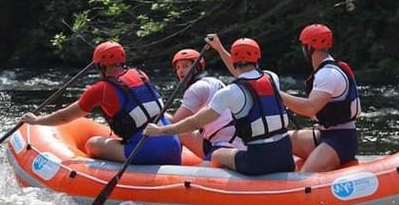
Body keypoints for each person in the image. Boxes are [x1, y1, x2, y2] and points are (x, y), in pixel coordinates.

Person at [144, 35, 295, 176]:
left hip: (257, 162)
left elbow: (194, 122)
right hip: (285, 158)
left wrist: (160, 131)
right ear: (258, 57)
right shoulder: (272, 78)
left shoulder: (230, 93)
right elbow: (248, 77)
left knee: (217, 155)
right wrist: (219, 48)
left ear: (234, 60)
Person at [21, 41, 181, 165]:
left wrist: (36, 121)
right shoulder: (140, 74)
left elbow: (64, 117)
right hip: (174, 145)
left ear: (99, 65)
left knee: (92, 144)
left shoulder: (101, 89)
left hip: (146, 151)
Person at [279, 23, 360, 172]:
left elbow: (310, 108)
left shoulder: (327, 74)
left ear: (309, 47)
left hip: (340, 140)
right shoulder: (327, 69)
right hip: (324, 134)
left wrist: (278, 94)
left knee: (305, 177)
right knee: (279, 141)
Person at [168, 48, 245, 161]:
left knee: (170, 122)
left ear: (197, 68)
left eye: (185, 66)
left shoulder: (196, 89)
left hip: (223, 144)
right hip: (237, 138)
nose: (180, 71)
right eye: (178, 68)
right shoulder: (214, 81)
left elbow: (176, 123)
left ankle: (172, 159)